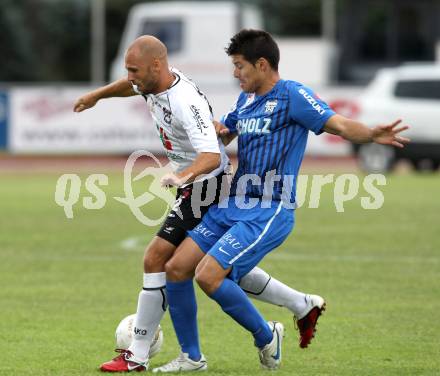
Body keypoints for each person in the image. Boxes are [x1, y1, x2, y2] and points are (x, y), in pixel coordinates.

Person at [153, 29, 410, 372]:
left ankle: (266, 335)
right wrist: (200, 124)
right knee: (176, 268)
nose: (235, 73)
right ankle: (192, 358)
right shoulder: (245, 100)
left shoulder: (292, 95)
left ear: (262, 64)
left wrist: (371, 134)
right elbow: (225, 131)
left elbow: (340, 124)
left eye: (239, 65)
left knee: (210, 276)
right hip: (233, 203)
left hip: (269, 209)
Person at [74, 35, 329, 373]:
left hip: (206, 183)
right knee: (206, 266)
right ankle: (299, 304)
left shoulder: (184, 100)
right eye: (128, 71)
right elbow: (129, 85)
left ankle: (137, 354)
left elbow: (210, 156)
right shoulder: (151, 81)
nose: (131, 77)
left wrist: (182, 177)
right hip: (196, 183)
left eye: (134, 70)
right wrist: (97, 96)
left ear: (156, 66)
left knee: (159, 259)